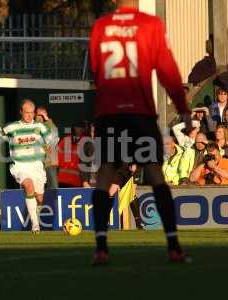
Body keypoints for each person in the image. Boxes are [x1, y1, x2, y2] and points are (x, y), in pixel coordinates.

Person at [89, 0, 191, 264]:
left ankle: (101, 247)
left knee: (105, 174)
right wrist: (183, 109)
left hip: (109, 113)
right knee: (156, 175)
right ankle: (173, 246)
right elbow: (167, 70)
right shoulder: (150, 25)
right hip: (140, 113)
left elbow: (97, 70)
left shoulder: (101, 26)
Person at [0, 99, 56, 234]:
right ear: (21, 112)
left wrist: (52, 152)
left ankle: (36, 215)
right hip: (20, 166)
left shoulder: (41, 127)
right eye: (26, 112)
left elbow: (50, 142)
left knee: (39, 198)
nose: (29, 116)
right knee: (28, 185)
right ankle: (35, 226)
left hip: (37, 166)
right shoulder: (12, 127)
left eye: (32, 113)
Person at [35, 106, 59, 188]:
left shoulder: (50, 126)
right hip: (37, 163)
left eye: (42, 115)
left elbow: (55, 138)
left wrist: (47, 119)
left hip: (50, 163)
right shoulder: (33, 127)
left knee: (53, 188)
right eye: (38, 115)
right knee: (38, 188)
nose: (40, 117)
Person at [57, 122, 85, 187]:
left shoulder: (85, 142)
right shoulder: (64, 141)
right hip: (64, 180)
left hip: (72, 181)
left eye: (80, 128)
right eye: (77, 127)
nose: (78, 130)